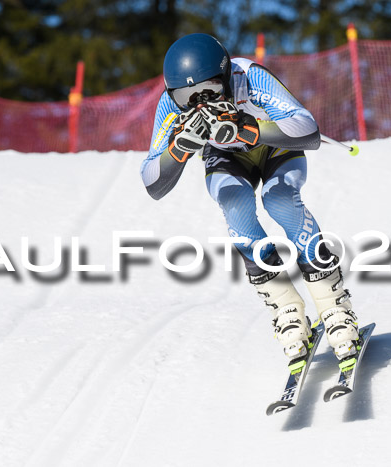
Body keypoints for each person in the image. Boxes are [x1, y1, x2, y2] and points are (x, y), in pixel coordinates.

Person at [140, 33, 360, 362]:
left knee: (280, 200)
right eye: (187, 96)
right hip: (227, 157)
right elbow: (152, 182)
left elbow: (307, 129)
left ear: (227, 75)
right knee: (234, 204)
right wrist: (179, 149)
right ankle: (286, 307)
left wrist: (250, 129)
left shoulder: (249, 76)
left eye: (210, 90)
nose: (200, 102)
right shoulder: (170, 105)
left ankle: (333, 305)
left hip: (273, 146)